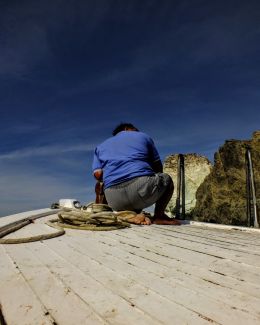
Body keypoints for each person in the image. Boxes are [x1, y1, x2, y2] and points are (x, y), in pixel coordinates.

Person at [92, 123, 181, 225]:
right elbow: (158, 167)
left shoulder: (100, 147)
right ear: (126, 129)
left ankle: (131, 214)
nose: (137, 132)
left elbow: (98, 175)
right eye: (135, 130)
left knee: (101, 185)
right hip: (140, 192)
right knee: (166, 179)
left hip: (114, 200)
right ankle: (159, 216)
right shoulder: (143, 136)